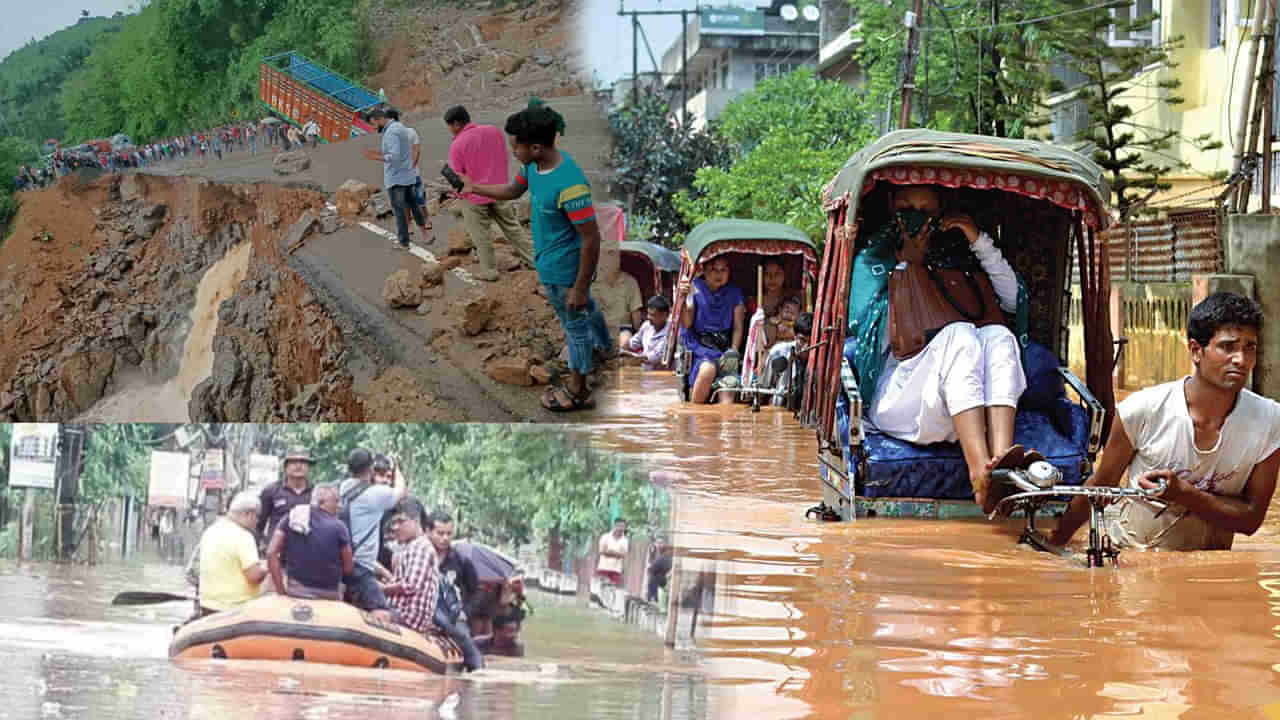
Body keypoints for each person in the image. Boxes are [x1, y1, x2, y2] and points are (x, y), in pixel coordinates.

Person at [846, 184, 1034, 512]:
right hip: (902, 397)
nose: (916, 218)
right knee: (960, 334)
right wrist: (906, 268)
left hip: (967, 404)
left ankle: (1002, 465)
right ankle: (980, 475)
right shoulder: (873, 259)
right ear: (892, 206)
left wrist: (977, 240)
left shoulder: (957, 255)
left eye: (926, 210)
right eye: (907, 207)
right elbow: (864, 335)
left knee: (998, 336)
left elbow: (1011, 300)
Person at [1051, 292, 1280, 550]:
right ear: (1196, 350)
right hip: (1132, 564)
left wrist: (1183, 494)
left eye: (1249, 347)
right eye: (1227, 347)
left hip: (1206, 576)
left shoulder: (1270, 420)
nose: (1241, 359)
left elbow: (1251, 520)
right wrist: (1056, 546)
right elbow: (1100, 487)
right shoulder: (1142, 410)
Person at [460, 105, 611, 411]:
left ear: (536, 147)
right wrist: (474, 188)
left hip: (565, 271)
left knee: (575, 327)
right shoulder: (533, 167)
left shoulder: (570, 184)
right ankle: (603, 349)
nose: (512, 150)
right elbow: (512, 191)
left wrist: (579, 287)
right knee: (586, 312)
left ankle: (578, 391)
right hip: (550, 263)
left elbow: (591, 238)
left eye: (515, 145)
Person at [445, 105, 534, 280]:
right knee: (513, 228)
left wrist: (456, 194)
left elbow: (458, 177)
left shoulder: (457, 145)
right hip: (501, 190)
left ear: (455, 124)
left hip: (474, 196)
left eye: (449, 126)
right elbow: (503, 156)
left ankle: (489, 271)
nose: (449, 130)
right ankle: (534, 260)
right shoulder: (494, 131)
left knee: (481, 235)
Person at [339, 447, 407, 617]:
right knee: (385, 614)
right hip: (361, 568)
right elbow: (401, 491)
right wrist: (396, 469)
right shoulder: (375, 494)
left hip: (341, 562)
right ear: (370, 469)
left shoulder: (344, 488)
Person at [265, 484, 352, 600]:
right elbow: (348, 568)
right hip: (329, 595)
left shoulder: (292, 518)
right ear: (322, 502)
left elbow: (271, 552)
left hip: (295, 591)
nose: (339, 506)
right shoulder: (339, 527)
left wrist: (280, 591)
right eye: (336, 501)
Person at [680, 256, 746, 404]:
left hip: (725, 350)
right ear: (704, 271)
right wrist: (682, 298)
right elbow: (687, 322)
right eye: (714, 270)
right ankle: (694, 414)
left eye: (723, 270)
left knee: (728, 392)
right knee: (707, 370)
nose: (719, 274)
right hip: (699, 348)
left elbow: (737, 327)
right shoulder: (694, 287)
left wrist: (733, 352)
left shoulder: (734, 293)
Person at [427, 510, 484, 671]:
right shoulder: (421, 555)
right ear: (429, 532)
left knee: (462, 635)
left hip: (452, 616)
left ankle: (477, 666)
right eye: (440, 533)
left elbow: (478, 591)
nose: (445, 538)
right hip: (425, 611)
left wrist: (465, 612)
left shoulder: (460, 561)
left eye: (449, 533)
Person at [196, 491, 268, 617]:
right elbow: (254, 576)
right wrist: (268, 566)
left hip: (207, 605)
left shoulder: (210, 531)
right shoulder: (244, 537)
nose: (257, 522)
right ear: (248, 514)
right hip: (234, 609)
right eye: (257, 517)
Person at [363, 107, 426, 252]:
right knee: (414, 205)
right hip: (407, 176)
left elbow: (394, 156)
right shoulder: (399, 127)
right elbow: (399, 151)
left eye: (373, 124)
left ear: (379, 119)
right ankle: (424, 233)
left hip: (396, 178)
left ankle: (404, 242)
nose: (373, 128)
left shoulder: (390, 132)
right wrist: (377, 152)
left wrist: (374, 157)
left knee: (399, 212)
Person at [381, 498, 441, 636]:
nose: (395, 527)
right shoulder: (409, 547)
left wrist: (381, 589)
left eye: (401, 521)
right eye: (394, 523)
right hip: (401, 612)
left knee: (375, 615)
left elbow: (410, 586)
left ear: (416, 521)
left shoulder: (420, 547)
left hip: (408, 617)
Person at [386, 108, 432, 241]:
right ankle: (421, 221)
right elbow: (415, 151)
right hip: (408, 174)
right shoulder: (407, 132)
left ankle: (415, 223)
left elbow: (415, 151)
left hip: (405, 175)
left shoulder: (403, 133)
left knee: (412, 200)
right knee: (415, 199)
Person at [257, 447, 314, 550]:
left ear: (309, 467)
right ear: (285, 466)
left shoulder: (316, 493)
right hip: (277, 554)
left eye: (303, 462)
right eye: (293, 462)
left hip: (309, 551)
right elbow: (258, 525)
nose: (298, 466)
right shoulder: (271, 491)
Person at [622, 295, 671, 370]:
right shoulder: (646, 325)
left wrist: (628, 355)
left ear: (665, 315)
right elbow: (632, 344)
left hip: (661, 375)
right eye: (648, 314)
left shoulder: (670, 332)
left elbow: (653, 358)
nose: (648, 317)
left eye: (653, 315)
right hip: (645, 373)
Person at [595, 518, 629, 587]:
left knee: (612, 590)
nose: (620, 528)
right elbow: (602, 551)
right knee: (602, 588)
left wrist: (610, 552)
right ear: (615, 526)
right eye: (619, 526)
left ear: (625, 528)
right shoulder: (605, 537)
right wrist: (617, 554)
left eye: (623, 526)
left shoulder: (625, 540)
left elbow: (623, 555)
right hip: (604, 567)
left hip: (616, 569)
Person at [646, 537, 672, 603]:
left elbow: (652, 569)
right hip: (660, 578)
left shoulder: (664, 557)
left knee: (653, 578)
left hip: (660, 579)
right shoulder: (655, 552)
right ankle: (652, 598)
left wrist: (650, 569)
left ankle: (652, 598)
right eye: (658, 543)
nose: (659, 545)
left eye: (661, 543)